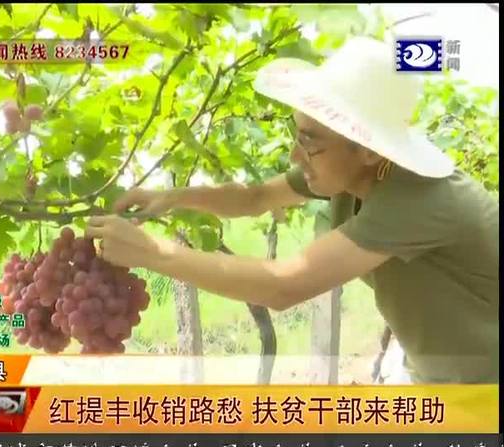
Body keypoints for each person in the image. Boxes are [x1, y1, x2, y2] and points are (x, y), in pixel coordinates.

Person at [86, 37, 499, 384]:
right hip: (438, 379)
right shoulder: (350, 172)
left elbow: (284, 286)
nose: (294, 155)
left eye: (309, 140)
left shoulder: (415, 199)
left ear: (370, 149)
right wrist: (172, 197)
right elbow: (253, 199)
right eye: (296, 134)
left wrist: (153, 253)